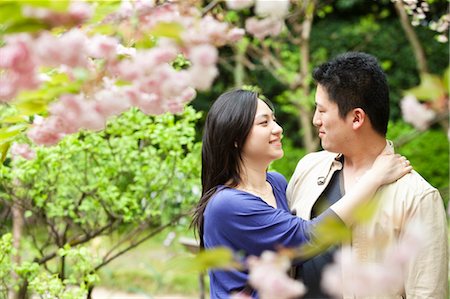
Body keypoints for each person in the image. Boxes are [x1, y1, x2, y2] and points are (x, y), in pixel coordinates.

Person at [191, 89, 412, 299]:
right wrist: (374, 178)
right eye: (264, 123)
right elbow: (307, 238)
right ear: (235, 138)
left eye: (274, 120)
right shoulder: (227, 204)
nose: (278, 128)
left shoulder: (276, 183)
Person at [287, 51, 448, 298]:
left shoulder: (417, 197)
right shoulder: (308, 169)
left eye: (322, 110)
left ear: (356, 118)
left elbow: (427, 292)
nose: (315, 120)